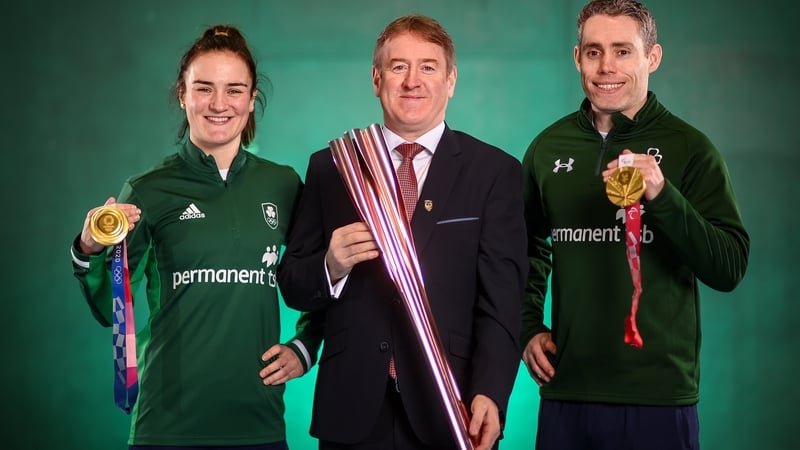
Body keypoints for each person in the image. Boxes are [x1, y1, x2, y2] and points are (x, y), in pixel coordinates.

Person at [276, 14, 526, 450]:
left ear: (451, 81)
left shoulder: (494, 172)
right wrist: (329, 265)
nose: (413, 81)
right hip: (351, 406)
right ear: (376, 79)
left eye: (428, 67)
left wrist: (491, 391)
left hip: (451, 403)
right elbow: (294, 286)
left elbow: (502, 301)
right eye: (398, 67)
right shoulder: (332, 167)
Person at [70, 25, 321, 449]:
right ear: (182, 94)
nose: (219, 104)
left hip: (257, 421)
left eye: (234, 90)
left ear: (252, 97)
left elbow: (319, 278)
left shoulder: (283, 184)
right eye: (204, 88)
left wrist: (305, 345)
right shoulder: (149, 188)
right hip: (167, 425)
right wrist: (90, 250)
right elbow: (116, 312)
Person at [520, 1, 750, 449]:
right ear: (577, 57)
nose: (607, 67)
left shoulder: (690, 148)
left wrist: (662, 194)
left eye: (623, 51)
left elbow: (728, 267)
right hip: (568, 391)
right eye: (593, 51)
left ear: (653, 57)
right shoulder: (548, 148)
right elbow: (525, 247)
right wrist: (527, 325)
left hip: (659, 400)